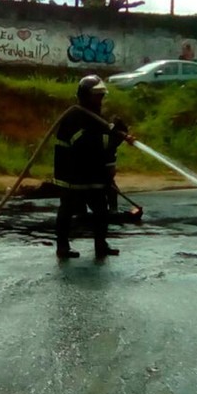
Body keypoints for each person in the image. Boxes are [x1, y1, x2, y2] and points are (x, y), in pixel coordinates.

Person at [53, 75, 134, 260]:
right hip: (71, 174)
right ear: (84, 96)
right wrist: (113, 140)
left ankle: (101, 245)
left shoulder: (96, 118)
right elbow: (86, 145)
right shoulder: (74, 117)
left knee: (101, 210)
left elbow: (103, 144)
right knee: (67, 209)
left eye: (101, 96)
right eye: (96, 96)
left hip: (92, 174)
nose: (100, 100)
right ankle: (62, 247)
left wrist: (110, 159)